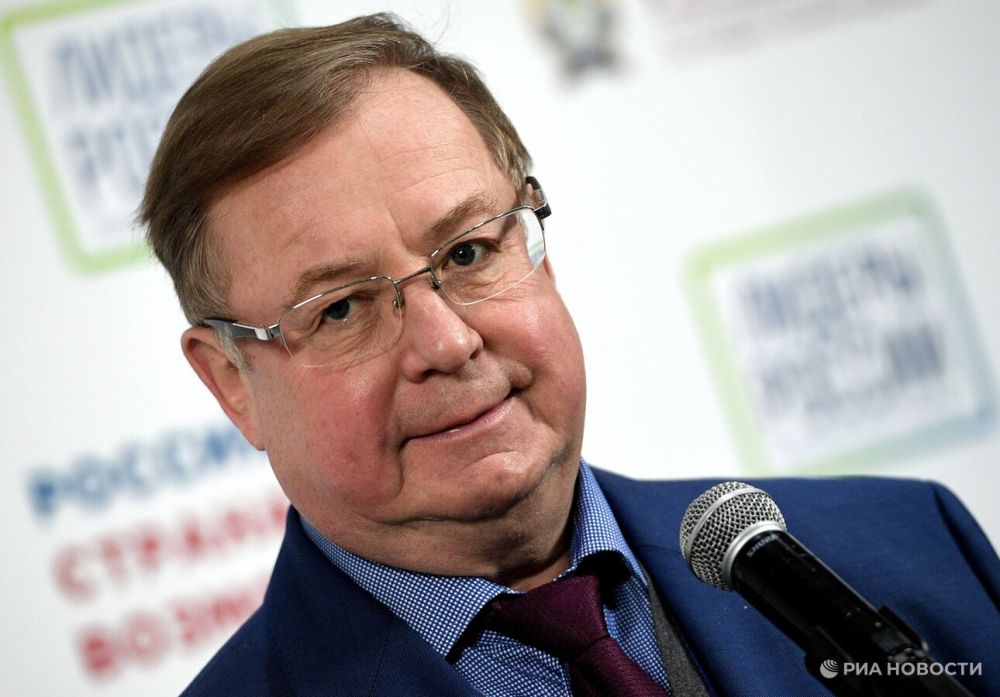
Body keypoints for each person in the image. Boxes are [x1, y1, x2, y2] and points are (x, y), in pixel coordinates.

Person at [142, 13, 999, 697]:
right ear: (231, 384)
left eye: (469, 253)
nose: (447, 341)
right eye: (340, 308)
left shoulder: (913, 548)